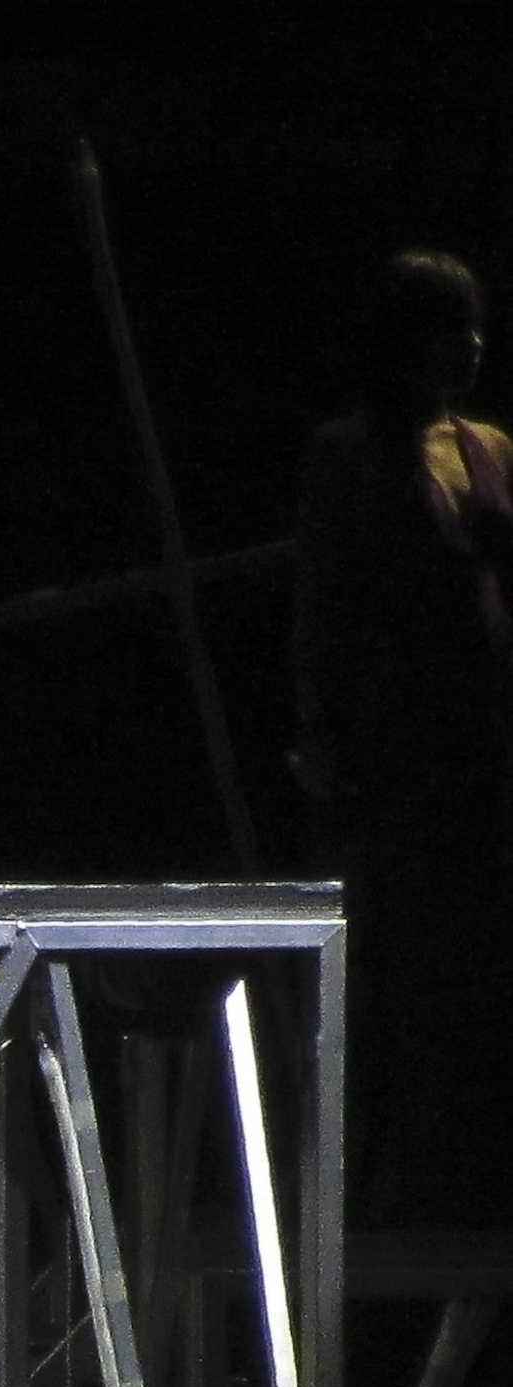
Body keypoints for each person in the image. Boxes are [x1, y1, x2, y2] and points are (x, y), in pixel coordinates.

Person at [291, 249, 513, 1222]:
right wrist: (320, 729)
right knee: (400, 966)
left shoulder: (489, 446)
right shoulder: (349, 453)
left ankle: (468, 1177)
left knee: (478, 962)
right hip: (399, 744)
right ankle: (387, 1189)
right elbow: (323, 600)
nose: (469, 347)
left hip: (485, 736)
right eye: (447, 327)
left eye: (474, 326)